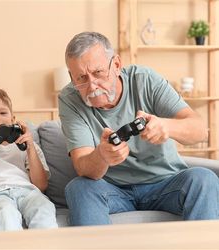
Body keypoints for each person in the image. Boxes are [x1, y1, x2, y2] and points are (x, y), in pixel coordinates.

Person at [58, 31, 219, 226]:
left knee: (203, 179)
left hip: (166, 183)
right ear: (71, 77)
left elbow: (200, 131)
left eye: (98, 73)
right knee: (79, 188)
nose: (92, 86)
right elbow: (82, 165)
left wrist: (167, 126)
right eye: (81, 78)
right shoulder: (69, 99)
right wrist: (102, 155)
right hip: (113, 189)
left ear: (116, 65)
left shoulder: (145, 80)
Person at [0, 87, 58, 231]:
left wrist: (30, 148)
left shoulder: (27, 145)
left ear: (12, 119)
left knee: (43, 209)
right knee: (4, 214)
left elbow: (41, 185)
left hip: (28, 192)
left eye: (2, 112)